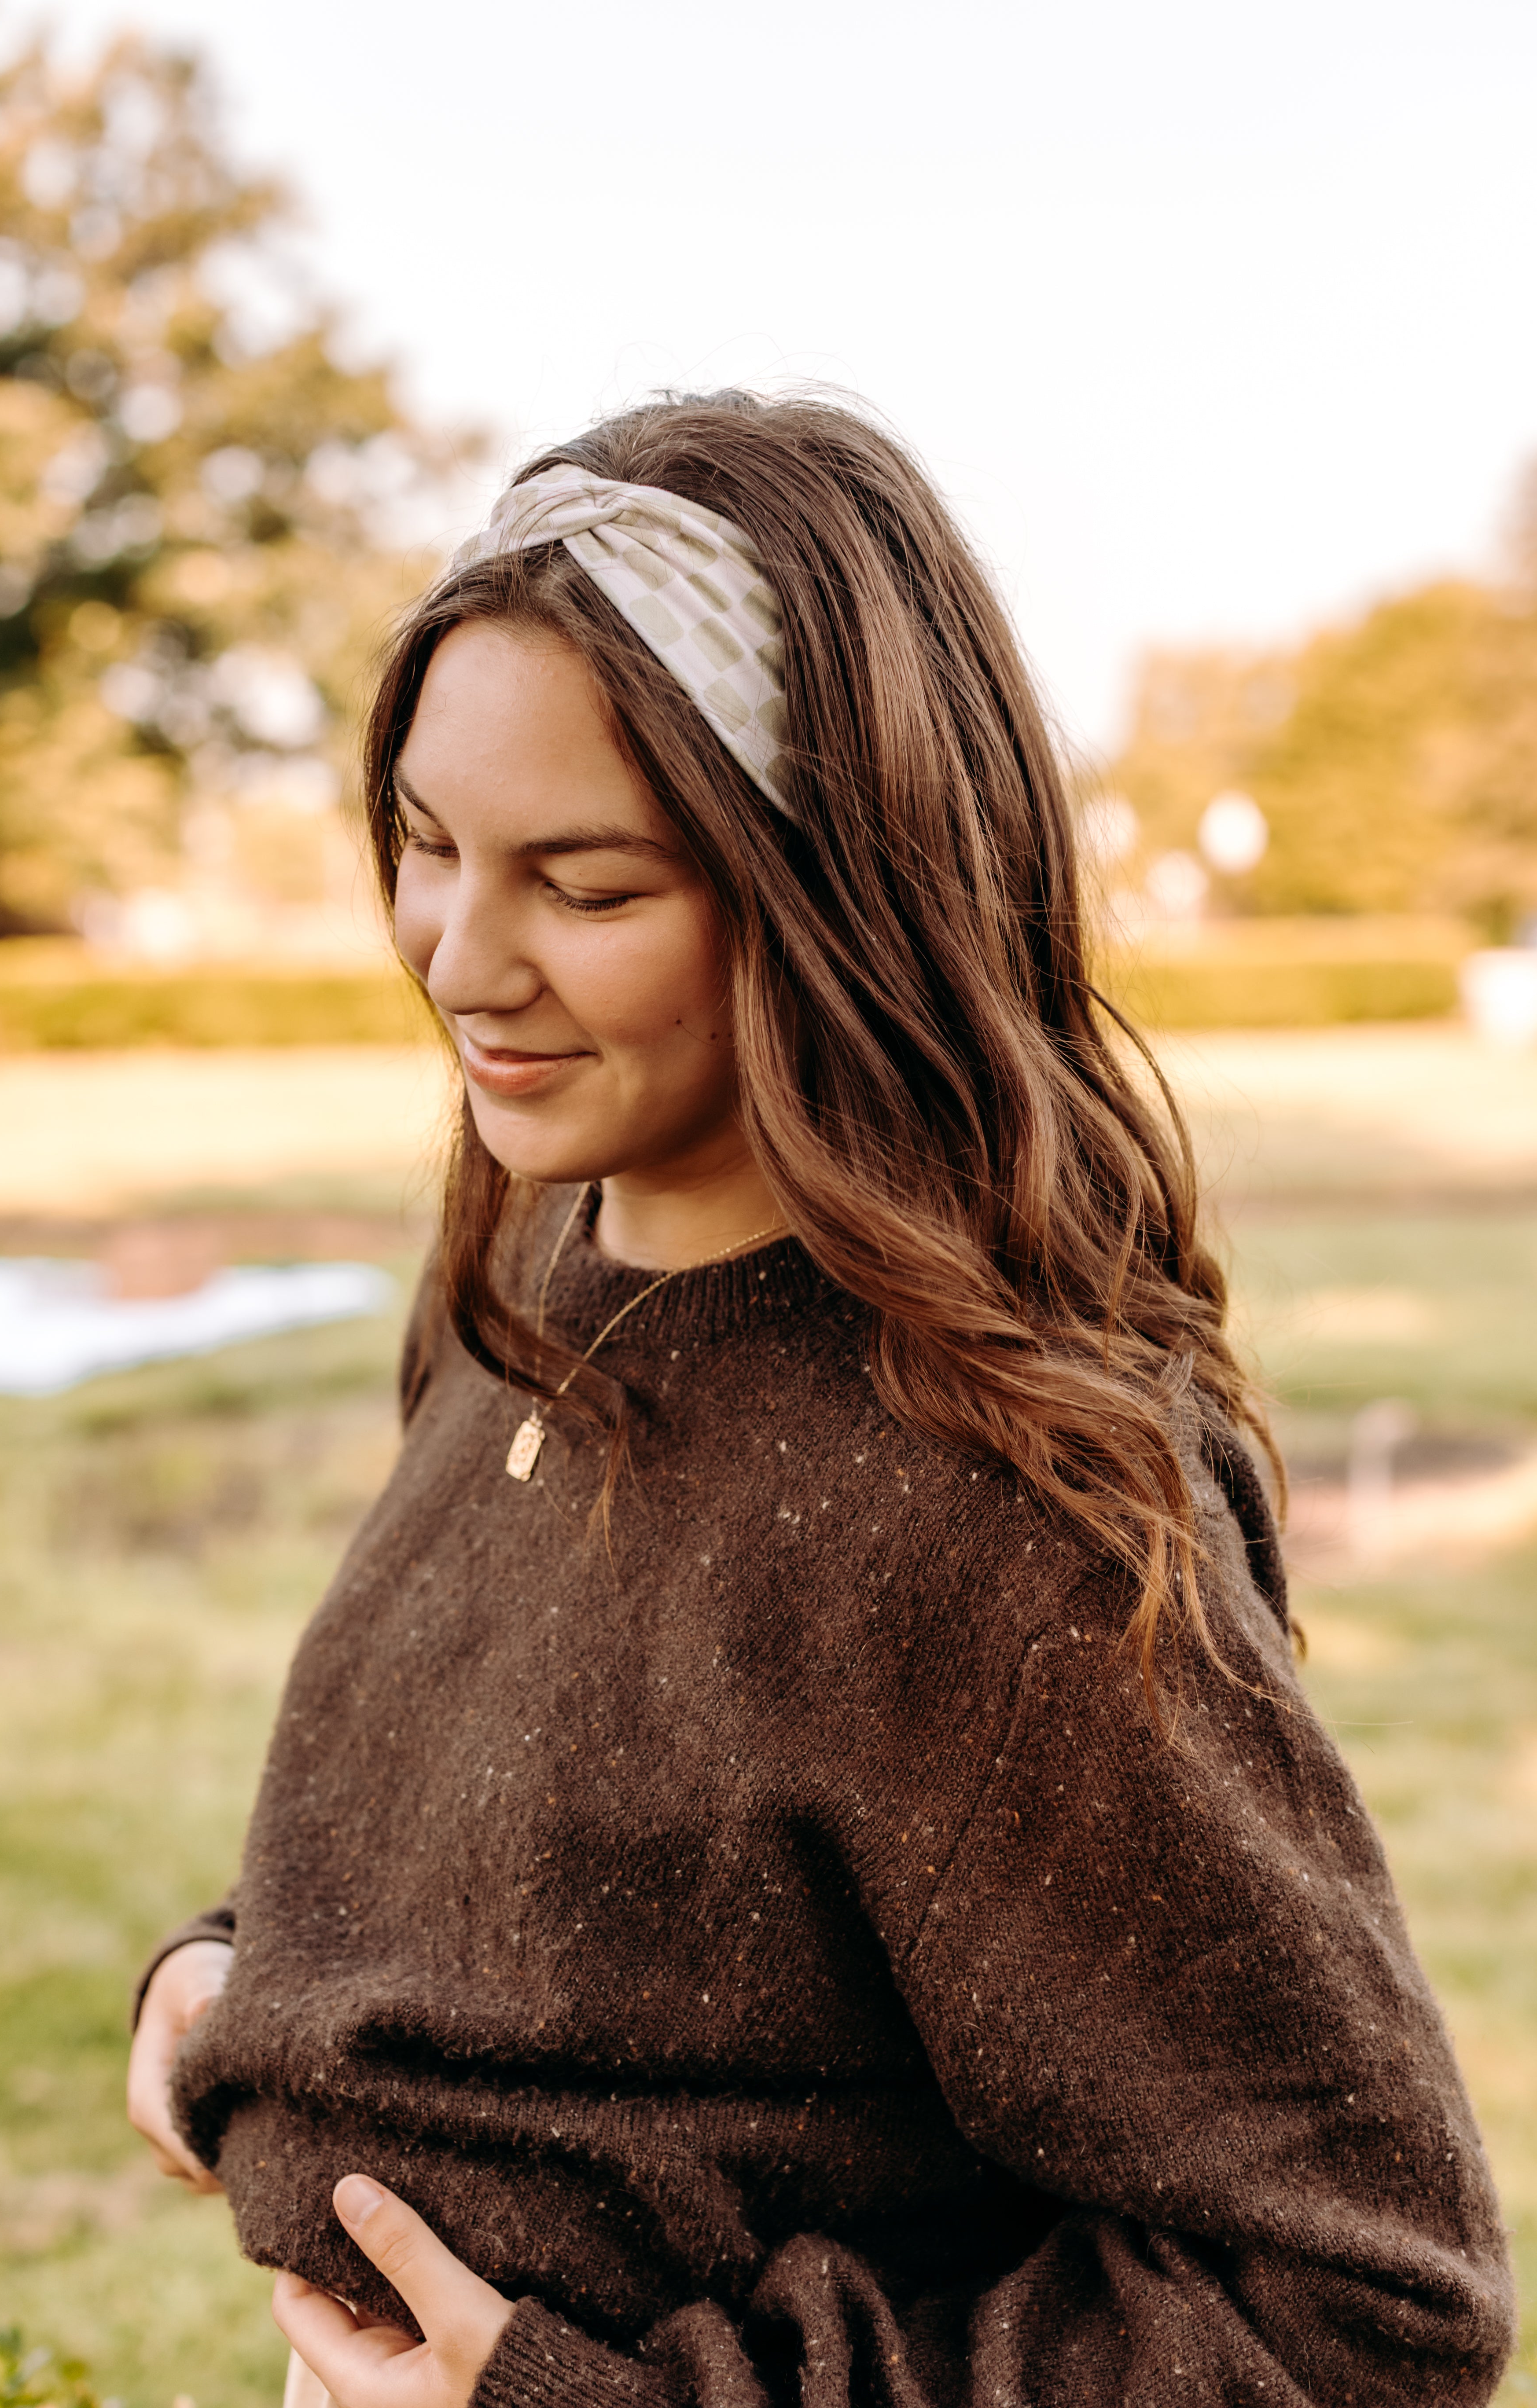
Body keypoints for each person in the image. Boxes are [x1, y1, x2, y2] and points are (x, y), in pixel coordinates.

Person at [127, 392, 1514, 2408]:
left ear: (839, 888)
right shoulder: (540, 1264)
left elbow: (1357, 2308)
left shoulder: (987, 1513)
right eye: (428, 847)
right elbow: (592, 1842)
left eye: (585, 887)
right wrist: (253, 1975)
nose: (458, 957)